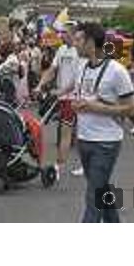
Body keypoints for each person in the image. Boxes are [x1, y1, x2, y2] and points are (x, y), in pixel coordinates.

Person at [72, 22, 134, 223]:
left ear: (91, 42)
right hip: (84, 138)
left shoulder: (117, 71)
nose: (74, 44)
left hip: (106, 142)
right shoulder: (81, 67)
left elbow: (132, 109)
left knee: (93, 198)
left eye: (78, 39)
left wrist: (98, 108)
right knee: (100, 188)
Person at [34, 23, 82, 179]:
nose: (62, 35)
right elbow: (52, 70)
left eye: (66, 33)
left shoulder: (80, 52)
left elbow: (79, 78)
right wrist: (40, 85)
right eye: (62, 32)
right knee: (69, 132)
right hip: (63, 97)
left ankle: (58, 166)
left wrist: (62, 91)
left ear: (75, 35)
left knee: (69, 132)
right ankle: (76, 163)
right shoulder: (61, 50)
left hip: (76, 98)